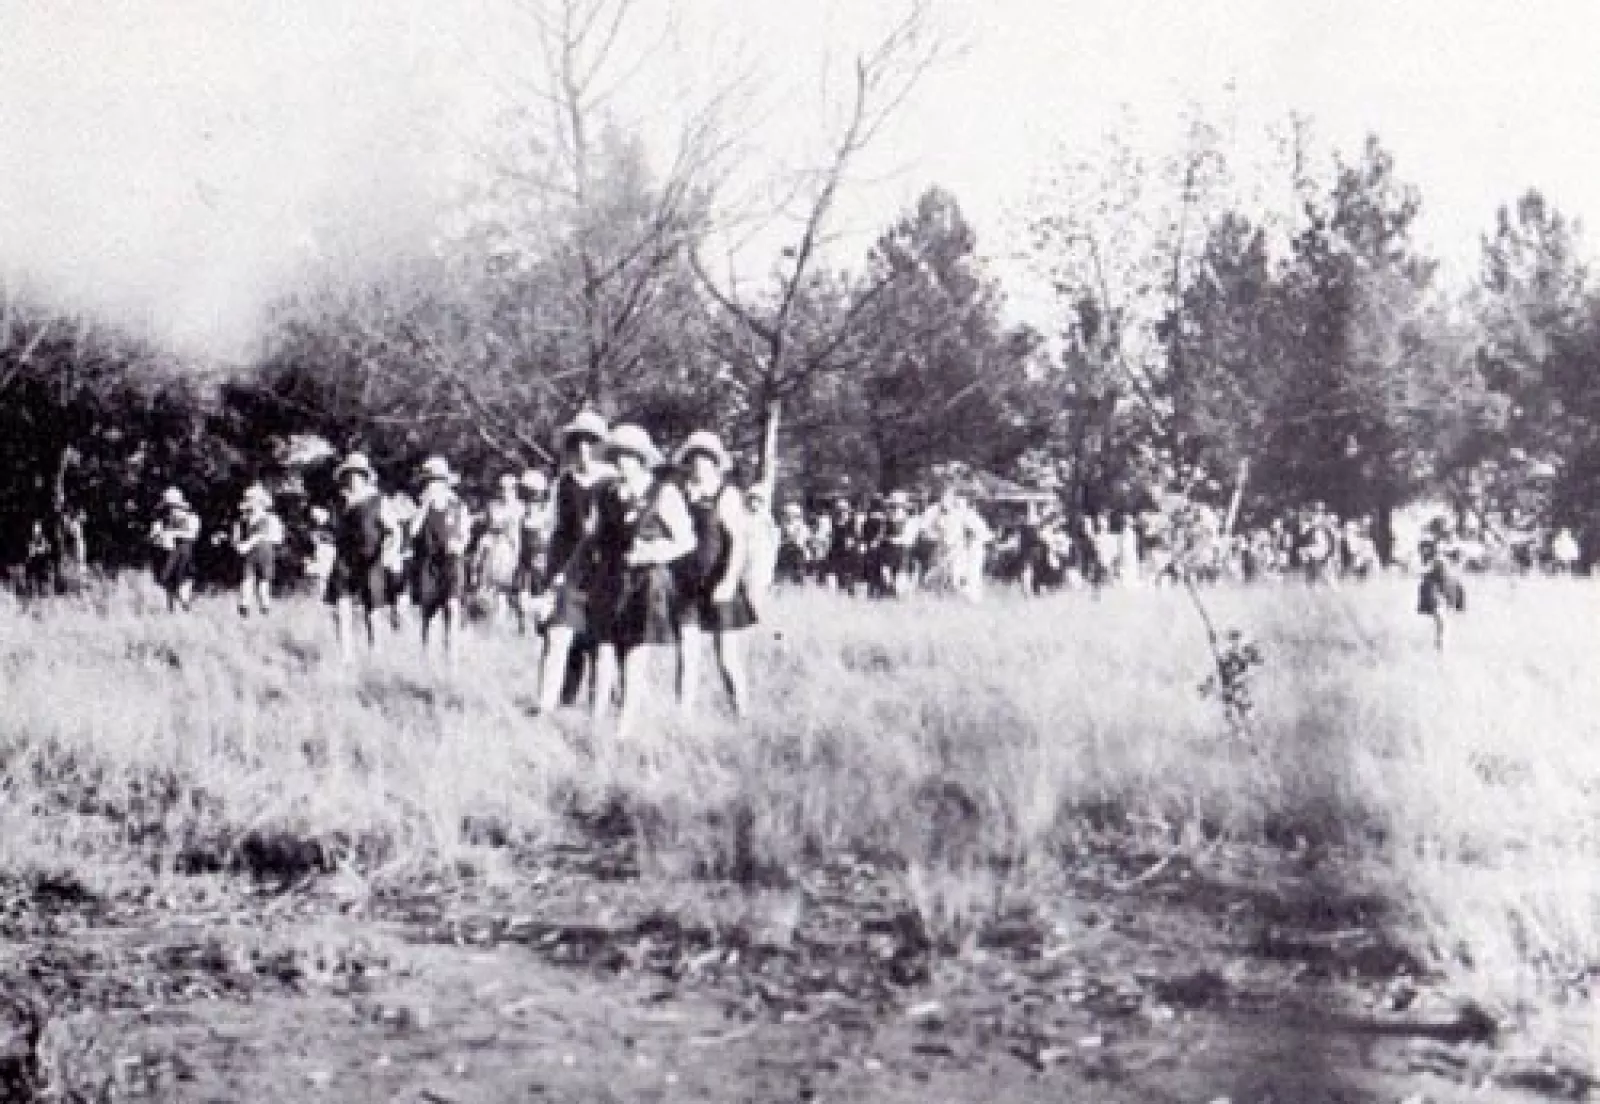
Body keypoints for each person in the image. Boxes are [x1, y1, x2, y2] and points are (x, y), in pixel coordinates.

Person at [586, 424, 695, 737]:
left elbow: (686, 541)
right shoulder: (606, 493)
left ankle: (624, 729)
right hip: (610, 577)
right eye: (617, 455)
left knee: (635, 654)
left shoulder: (663, 493)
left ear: (641, 459)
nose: (622, 462)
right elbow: (595, 537)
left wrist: (654, 552)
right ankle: (596, 722)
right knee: (605, 650)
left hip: (647, 582)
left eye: (629, 456)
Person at [673, 431, 759, 717]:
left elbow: (738, 544)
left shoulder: (727, 494)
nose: (700, 463)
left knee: (727, 657)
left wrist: (729, 580)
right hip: (686, 584)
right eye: (694, 457)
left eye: (706, 457)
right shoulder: (680, 493)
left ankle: (742, 712)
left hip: (719, 583)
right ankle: (683, 718)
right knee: (687, 653)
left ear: (715, 462)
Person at [535, 411, 614, 714]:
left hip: (605, 572)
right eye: (578, 441)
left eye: (591, 441)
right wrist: (550, 574)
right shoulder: (563, 483)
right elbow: (555, 529)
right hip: (569, 569)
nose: (584, 448)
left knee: (599, 646)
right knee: (557, 637)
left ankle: (597, 713)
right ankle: (545, 708)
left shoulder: (614, 481)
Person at [407, 456, 473, 661]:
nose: (433, 485)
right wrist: (425, 506)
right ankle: (426, 657)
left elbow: (466, 533)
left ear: (445, 481)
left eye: (436, 480)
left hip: (452, 561)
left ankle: (451, 659)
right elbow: (412, 531)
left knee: (452, 608)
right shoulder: (422, 506)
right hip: (429, 562)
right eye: (429, 481)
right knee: (428, 613)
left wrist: (460, 544)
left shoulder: (458, 505)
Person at [326, 453, 388, 661]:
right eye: (349, 475)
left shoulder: (378, 501)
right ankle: (346, 656)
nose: (353, 479)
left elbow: (394, 530)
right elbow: (331, 531)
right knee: (340, 606)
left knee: (372, 611)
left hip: (371, 557)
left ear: (365, 476)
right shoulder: (338, 502)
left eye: (357, 475)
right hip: (344, 557)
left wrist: (388, 553)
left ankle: (376, 654)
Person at [473, 474, 525, 625]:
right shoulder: (493, 505)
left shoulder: (519, 507)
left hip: (508, 549)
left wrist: (516, 552)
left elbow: (515, 533)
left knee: (504, 588)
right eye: (502, 488)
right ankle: (487, 620)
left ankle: (501, 622)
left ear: (515, 489)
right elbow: (488, 528)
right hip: (492, 547)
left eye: (509, 488)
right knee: (488, 585)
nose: (505, 491)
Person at [232, 484, 283, 617]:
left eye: (252, 499)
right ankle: (244, 610)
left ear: (260, 501)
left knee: (263, 584)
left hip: (263, 551)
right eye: (248, 499)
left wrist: (246, 544)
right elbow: (237, 537)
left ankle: (265, 611)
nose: (249, 502)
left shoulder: (268, 518)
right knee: (246, 581)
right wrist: (237, 542)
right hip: (250, 553)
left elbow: (262, 535)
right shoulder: (244, 520)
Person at [1417, 517, 1466, 651]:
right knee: (1441, 619)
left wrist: (1448, 556)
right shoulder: (1427, 545)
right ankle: (1441, 651)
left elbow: (1460, 562)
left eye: (1446, 529)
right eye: (1440, 529)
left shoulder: (1455, 545)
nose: (1444, 532)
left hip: (1450, 584)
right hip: (1434, 585)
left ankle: (1441, 650)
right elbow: (1424, 566)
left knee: (1445, 622)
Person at [515, 469, 554, 635]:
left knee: (543, 614)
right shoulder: (523, 517)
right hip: (527, 568)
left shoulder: (548, 517)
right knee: (523, 605)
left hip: (544, 569)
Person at [150, 486, 201, 612]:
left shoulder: (191, 517)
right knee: (166, 582)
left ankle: (185, 606)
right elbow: (153, 535)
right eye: (169, 507)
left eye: (173, 506)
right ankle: (172, 610)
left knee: (182, 582)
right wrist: (158, 536)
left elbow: (193, 534)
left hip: (183, 551)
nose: (172, 510)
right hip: (165, 553)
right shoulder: (161, 519)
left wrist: (173, 534)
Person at [742, 483, 781, 610]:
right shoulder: (743, 519)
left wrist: (771, 562)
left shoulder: (767, 521)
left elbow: (774, 542)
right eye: (752, 499)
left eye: (757, 500)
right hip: (745, 559)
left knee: (758, 590)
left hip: (761, 560)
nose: (754, 503)